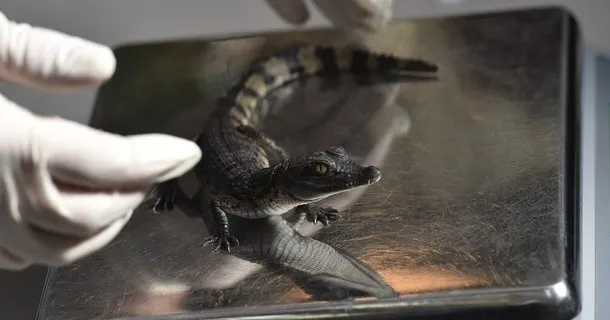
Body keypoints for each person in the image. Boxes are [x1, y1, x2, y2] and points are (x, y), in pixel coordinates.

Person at [0, 0, 394, 270]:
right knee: (177, 159)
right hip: (171, 86)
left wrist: (309, 202)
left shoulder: (282, 186)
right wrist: (214, 223)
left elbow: (291, 187)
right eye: (324, 170)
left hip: (229, 116)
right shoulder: (245, 195)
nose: (361, 174)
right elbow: (211, 198)